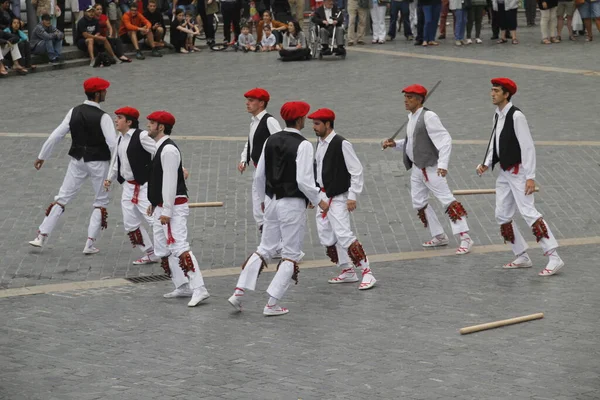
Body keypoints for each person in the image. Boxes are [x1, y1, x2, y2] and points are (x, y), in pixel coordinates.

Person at [228, 101, 325, 317]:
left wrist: (264, 199)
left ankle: (238, 292)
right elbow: (304, 180)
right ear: (300, 120)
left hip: (271, 200)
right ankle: (271, 304)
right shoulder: (304, 144)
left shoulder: (271, 140)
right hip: (291, 203)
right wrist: (319, 199)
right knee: (290, 254)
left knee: (265, 248)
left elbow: (260, 174)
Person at [476, 78, 564, 277]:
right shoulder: (497, 115)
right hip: (504, 173)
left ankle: (553, 256)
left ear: (506, 94)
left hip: (518, 173)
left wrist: (530, 177)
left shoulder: (516, 116)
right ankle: (522, 256)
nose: (492, 94)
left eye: (496, 91)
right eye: (492, 90)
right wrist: (486, 163)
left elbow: (528, 147)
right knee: (502, 214)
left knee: (528, 211)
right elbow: (494, 142)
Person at [29, 78, 117, 254]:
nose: (106, 92)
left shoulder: (74, 111)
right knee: (100, 201)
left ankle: (41, 235)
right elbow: (113, 144)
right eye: (104, 90)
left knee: (62, 197)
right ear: (98, 94)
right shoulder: (104, 117)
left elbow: (56, 135)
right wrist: (115, 168)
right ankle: (89, 243)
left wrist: (42, 155)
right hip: (99, 161)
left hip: (77, 160)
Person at [382, 84, 473, 255]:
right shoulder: (412, 117)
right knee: (419, 202)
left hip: (431, 168)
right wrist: (396, 144)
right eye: (405, 97)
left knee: (447, 200)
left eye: (410, 97)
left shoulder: (429, 116)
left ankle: (465, 237)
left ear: (420, 99)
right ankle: (439, 235)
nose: (406, 100)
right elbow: (413, 142)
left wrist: (442, 165)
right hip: (417, 168)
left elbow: (445, 140)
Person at [146, 111, 210, 306]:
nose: (148, 125)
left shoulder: (168, 150)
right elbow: (159, 179)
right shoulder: (159, 148)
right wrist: (153, 202)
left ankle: (199, 288)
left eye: (152, 123)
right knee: (162, 248)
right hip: (162, 205)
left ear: (161, 127)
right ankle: (182, 284)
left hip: (172, 207)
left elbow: (170, 183)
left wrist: (166, 210)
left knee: (179, 245)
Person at [308, 108, 376, 290]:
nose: (313, 127)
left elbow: (356, 170)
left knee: (344, 235)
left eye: (317, 123)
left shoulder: (341, 143)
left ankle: (367, 272)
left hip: (337, 197)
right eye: (313, 123)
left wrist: (352, 196)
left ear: (328, 124)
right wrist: (313, 195)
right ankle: (347, 270)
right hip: (322, 196)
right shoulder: (320, 142)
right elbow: (319, 169)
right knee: (326, 236)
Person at [103, 107, 161, 266]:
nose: (116, 120)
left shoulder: (141, 136)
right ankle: (150, 253)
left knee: (153, 219)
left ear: (129, 122)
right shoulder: (120, 138)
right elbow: (116, 161)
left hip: (144, 186)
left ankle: (171, 249)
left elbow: (159, 151)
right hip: (128, 187)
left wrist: (177, 168)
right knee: (130, 223)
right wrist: (110, 178)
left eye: (119, 117)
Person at [238, 88, 282, 231]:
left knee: (264, 208)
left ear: (261, 103)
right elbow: (250, 141)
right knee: (258, 210)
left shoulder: (269, 121)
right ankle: (269, 243)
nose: (247, 103)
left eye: (251, 101)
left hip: (268, 173)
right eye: (247, 100)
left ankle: (274, 244)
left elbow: (281, 142)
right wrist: (244, 158)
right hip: (259, 170)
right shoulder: (254, 122)